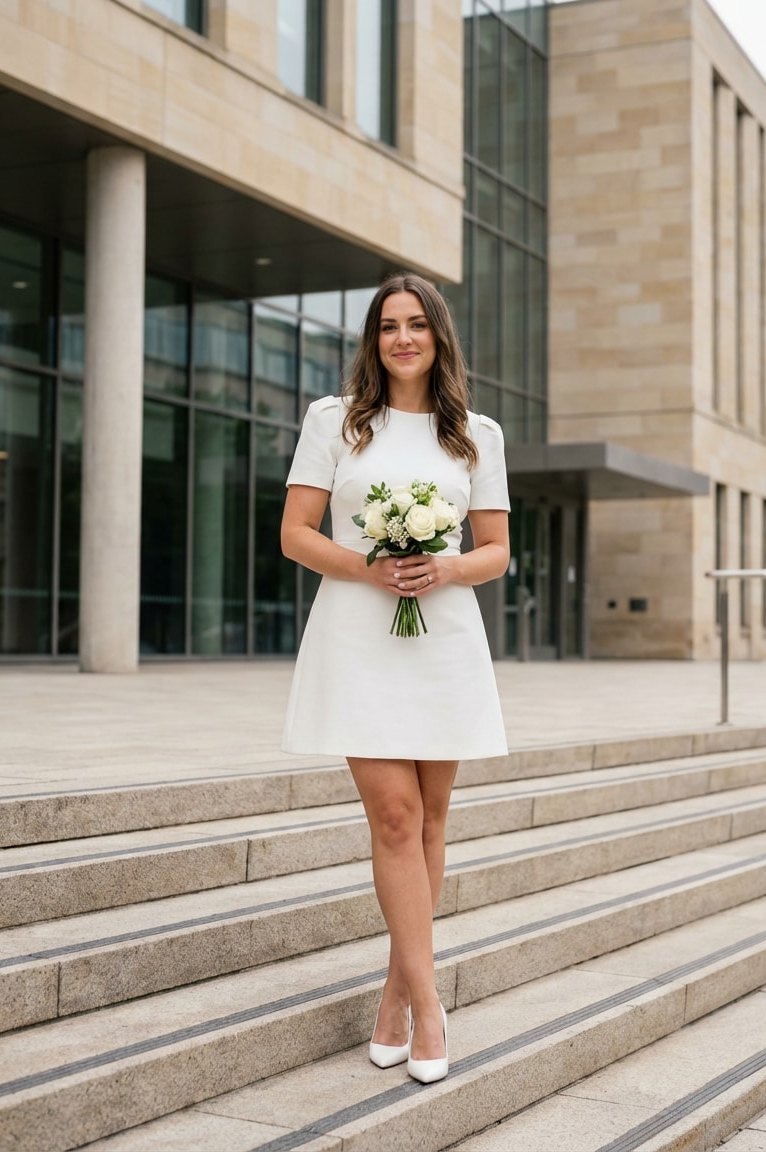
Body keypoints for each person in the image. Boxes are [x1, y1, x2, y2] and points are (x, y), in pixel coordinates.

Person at [280, 272, 510, 1084]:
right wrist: (368, 568)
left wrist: (442, 569)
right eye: (388, 326)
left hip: (441, 635)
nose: (402, 338)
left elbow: (495, 551)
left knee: (433, 821)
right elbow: (295, 535)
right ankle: (432, 1004)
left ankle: (393, 996)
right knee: (395, 814)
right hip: (356, 635)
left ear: (439, 336)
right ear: (373, 339)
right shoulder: (334, 424)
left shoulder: (476, 435)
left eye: (417, 324)